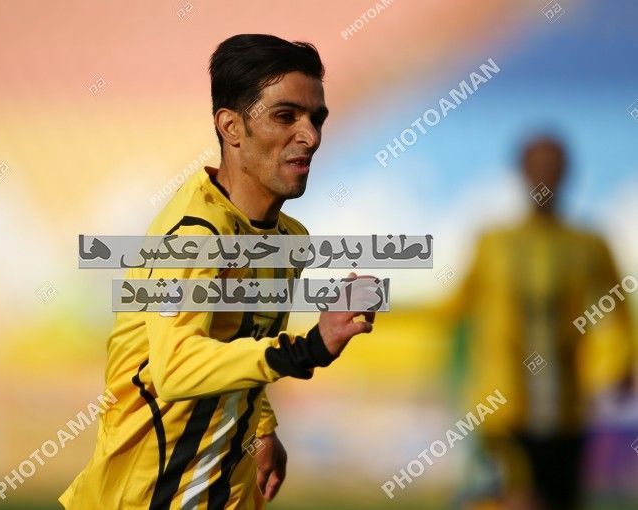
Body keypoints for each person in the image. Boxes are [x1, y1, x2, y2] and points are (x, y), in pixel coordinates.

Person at [60, 34, 375, 509]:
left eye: (316, 119)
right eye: (285, 116)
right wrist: (309, 347)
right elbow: (176, 368)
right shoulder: (195, 234)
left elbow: (240, 341)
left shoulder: (289, 241)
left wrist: (262, 427)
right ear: (231, 126)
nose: (310, 137)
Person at [445, 136, 634, 510]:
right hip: (502, 414)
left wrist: (624, 361)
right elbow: (452, 308)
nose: (545, 175)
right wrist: (372, 300)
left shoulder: (589, 244)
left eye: (554, 167)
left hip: (567, 414)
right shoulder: (493, 242)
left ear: (567, 173)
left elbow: (620, 307)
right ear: (522, 172)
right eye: (537, 167)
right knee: (511, 501)